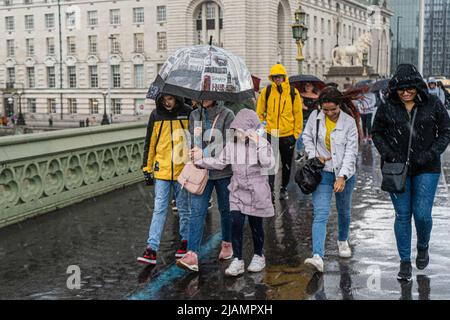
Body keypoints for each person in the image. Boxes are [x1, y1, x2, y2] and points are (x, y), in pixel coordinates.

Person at [372, 64, 450, 282]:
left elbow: (446, 131)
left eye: (410, 88)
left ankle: (423, 245)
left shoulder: (432, 104)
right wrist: (388, 153)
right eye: (401, 89)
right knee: (403, 215)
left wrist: (431, 153)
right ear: (395, 89)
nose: (405, 93)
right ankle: (404, 261)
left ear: (418, 87)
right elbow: (376, 132)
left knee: (422, 214)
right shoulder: (388, 107)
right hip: (397, 169)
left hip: (427, 167)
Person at [192, 109, 276, 276]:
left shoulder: (263, 143)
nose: (238, 133)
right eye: (236, 129)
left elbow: (268, 163)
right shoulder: (231, 145)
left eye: (242, 130)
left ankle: (259, 255)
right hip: (237, 189)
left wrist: (259, 142)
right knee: (235, 222)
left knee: (255, 225)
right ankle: (238, 259)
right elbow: (221, 162)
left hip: (256, 191)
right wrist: (200, 161)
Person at [302, 86, 360, 273]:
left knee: (343, 210)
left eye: (333, 110)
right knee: (321, 213)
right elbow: (307, 137)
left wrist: (342, 176)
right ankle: (318, 255)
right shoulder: (315, 117)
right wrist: (314, 156)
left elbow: (352, 152)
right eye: (325, 110)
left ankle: (342, 240)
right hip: (323, 172)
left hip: (344, 172)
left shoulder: (349, 123)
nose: (329, 113)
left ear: (339, 105)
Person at [176, 99, 235, 272]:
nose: (205, 97)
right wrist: (194, 150)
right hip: (202, 171)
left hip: (224, 172)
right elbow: (194, 142)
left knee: (225, 209)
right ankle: (192, 254)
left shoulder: (227, 115)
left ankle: (227, 243)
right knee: (197, 211)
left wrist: (206, 151)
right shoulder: (195, 115)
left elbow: (229, 143)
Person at [137, 94, 192, 265]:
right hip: (162, 170)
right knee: (159, 209)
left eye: (170, 99)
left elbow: (195, 140)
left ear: (177, 98)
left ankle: (186, 242)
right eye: (164, 99)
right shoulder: (156, 115)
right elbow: (150, 142)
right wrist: (146, 167)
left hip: (182, 170)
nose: (166, 102)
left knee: (184, 208)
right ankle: (151, 248)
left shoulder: (188, 112)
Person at [256, 63, 303, 201]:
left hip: (287, 135)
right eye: (275, 77)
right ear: (272, 78)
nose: (277, 79)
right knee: (269, 164)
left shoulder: (293, 92)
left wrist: (295, 134)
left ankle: (284, 188)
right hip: (271, 133)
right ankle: (270, 190)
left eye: (279, 77)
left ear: (284, 77)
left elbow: (298, 115)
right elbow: (259, 111)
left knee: (287, 164)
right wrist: (261, 129)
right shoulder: (267, 91)